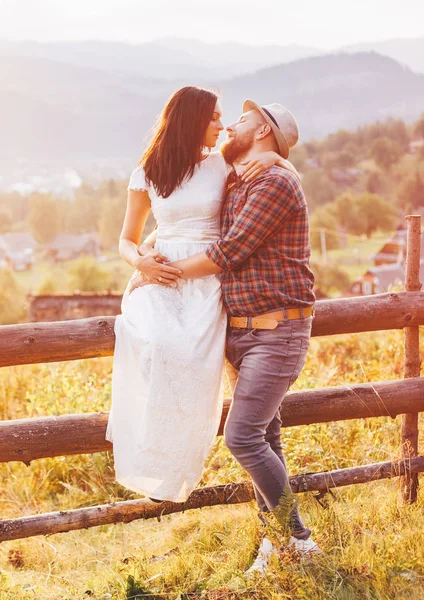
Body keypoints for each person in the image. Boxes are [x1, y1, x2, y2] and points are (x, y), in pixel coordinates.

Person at [141, 100, 321, 572]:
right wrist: (147, 251)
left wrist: (165, 274)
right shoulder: (243, 177)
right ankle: (275, 544)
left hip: (278, 329)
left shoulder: (277, 181)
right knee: (268, 438)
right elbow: (188, 220)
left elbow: (229, 250)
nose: (231, 125)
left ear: (261, 128)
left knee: (242, 438)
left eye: (241, 119)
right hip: (240, 332)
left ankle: (298, 540)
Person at [105, 87, 298, 504]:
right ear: (191, 119)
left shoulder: (221, 164)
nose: (221, 124)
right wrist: (141, 265)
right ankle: (152, 458)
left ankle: (185, 466)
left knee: (197, 366)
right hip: (160, 274)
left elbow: (265, 162)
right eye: (214, 117)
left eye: (224, 117)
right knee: (153, 342)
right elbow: (125, 239)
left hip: (209, 277)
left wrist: (275, 156)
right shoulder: (148, 170)